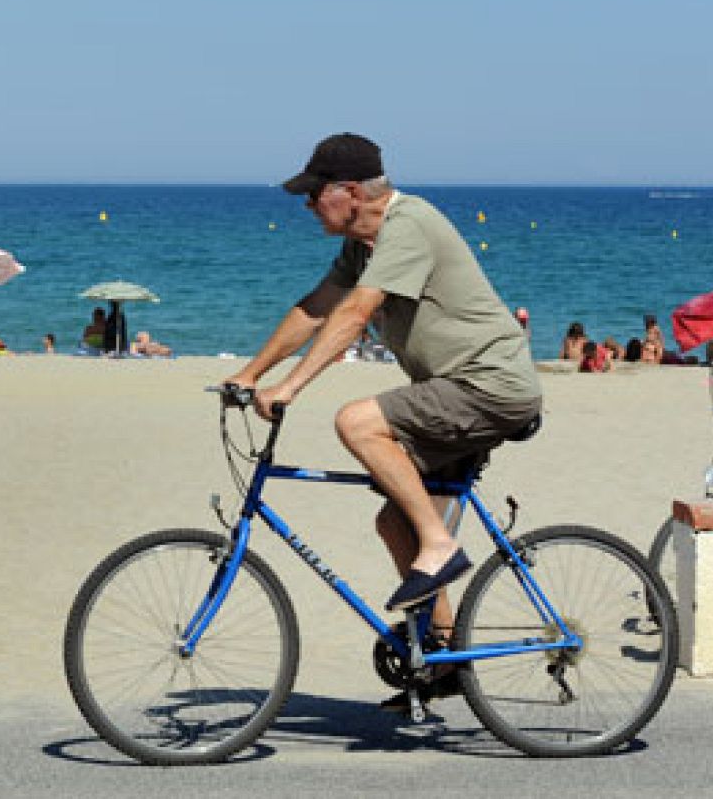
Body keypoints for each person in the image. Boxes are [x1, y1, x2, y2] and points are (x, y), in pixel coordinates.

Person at [221, 133, 542, 712]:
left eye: (314, 194)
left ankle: (440, 544)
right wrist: (249, 375)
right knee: (396, 522)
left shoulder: (408, 225)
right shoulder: (362, 247)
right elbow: (316, 307)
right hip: (452, 391)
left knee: (357, 422)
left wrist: (291, 386)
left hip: (488, 387)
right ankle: (445, 658)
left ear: (349, 192)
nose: (306, 205)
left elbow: (356, 313)